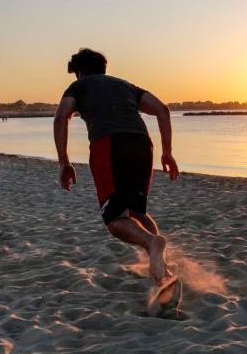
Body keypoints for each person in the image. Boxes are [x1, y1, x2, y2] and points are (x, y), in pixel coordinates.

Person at [53, 48, 179, 286]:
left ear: (79, 73)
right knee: (137, 213)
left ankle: (153, 244)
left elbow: (61, 117)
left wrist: (63, 161)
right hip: (142, 144)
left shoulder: (79, 87)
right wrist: (167, 153)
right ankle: (162, 267)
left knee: (115, 220)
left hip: (109, 145)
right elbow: (163, 110)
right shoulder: (126, 86)